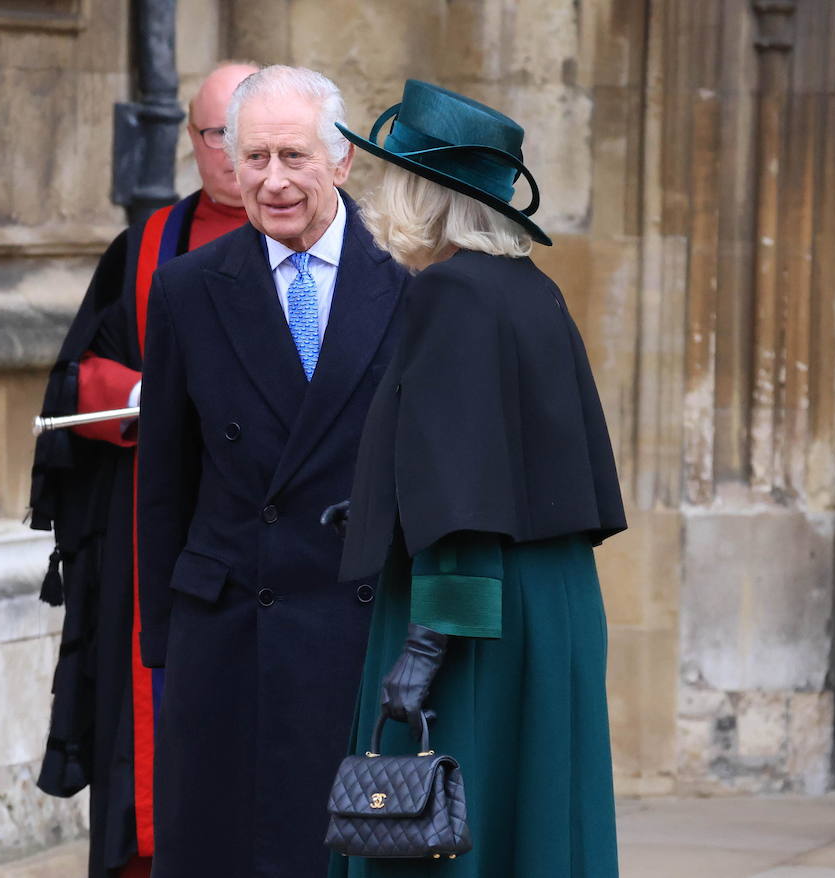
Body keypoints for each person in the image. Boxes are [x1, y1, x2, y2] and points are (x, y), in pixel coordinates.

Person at [327, 80, 628, 877]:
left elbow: (466, 495)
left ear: (424, 196)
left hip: (470, 611)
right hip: (549, 600)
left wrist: (423, 650)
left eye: (391, 181)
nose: (377, 199)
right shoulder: (531, 291)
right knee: (536, 826)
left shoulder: (451, 294)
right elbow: (503, 458)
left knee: (450, 833)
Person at [134, 65, 410, 878]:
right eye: (253, 157)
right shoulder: (186, 288)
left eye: (294, 156)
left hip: (359, 630)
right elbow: (164, 482)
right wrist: (165, 639)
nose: (273, 181)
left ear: (343, 162)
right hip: (227, 637)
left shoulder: (408, 277)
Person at [29, 61, 258, 878]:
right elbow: (76, 374)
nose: (238, 155)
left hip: (279, 544)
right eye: (217, 135)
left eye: (256, 136)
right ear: (192, 142)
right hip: (156, 532)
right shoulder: (146, 248)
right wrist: (136, 395)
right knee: (151, 736)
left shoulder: (334, 252)